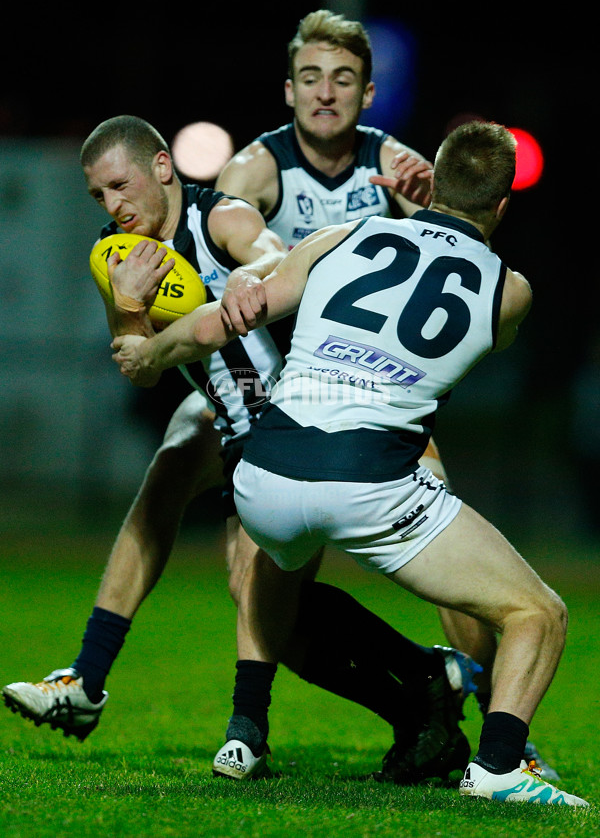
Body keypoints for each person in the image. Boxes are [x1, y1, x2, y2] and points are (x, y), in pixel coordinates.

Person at [110, 120, 588, 806]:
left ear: (436, 180)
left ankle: (252, 724)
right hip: (368, 480)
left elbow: (231, 315)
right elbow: (485, 333)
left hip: (263, 478)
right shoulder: (511, 290)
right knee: (537, 612)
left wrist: (150, 352)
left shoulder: (346, 236)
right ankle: (501, 764)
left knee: (283, 579)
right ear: (503, 206)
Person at [2, 114, 480, 784]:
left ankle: (259, 724)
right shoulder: (114, 254)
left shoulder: (218, 216)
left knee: (259, 584)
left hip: (300, 411)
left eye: (119, 185)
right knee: (168, 482)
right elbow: (137, 361)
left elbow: (269, 258)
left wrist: (246, 279)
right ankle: (86, 680)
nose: (112, 206)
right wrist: (130, 308)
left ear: (162, 167)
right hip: (229, 413)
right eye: (97, 196)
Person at [214, 8, 556, 779]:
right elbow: (233, 217)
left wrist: (213, 297)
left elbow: (243, 287)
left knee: (257, 563)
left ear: (367, 94)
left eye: (342, 80)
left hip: (278, 441)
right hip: (348, 435)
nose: (326, 94)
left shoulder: (362, 212)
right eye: (311, 79)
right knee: (506, 589)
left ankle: (255, 719)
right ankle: (498, 741)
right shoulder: (264, 166)